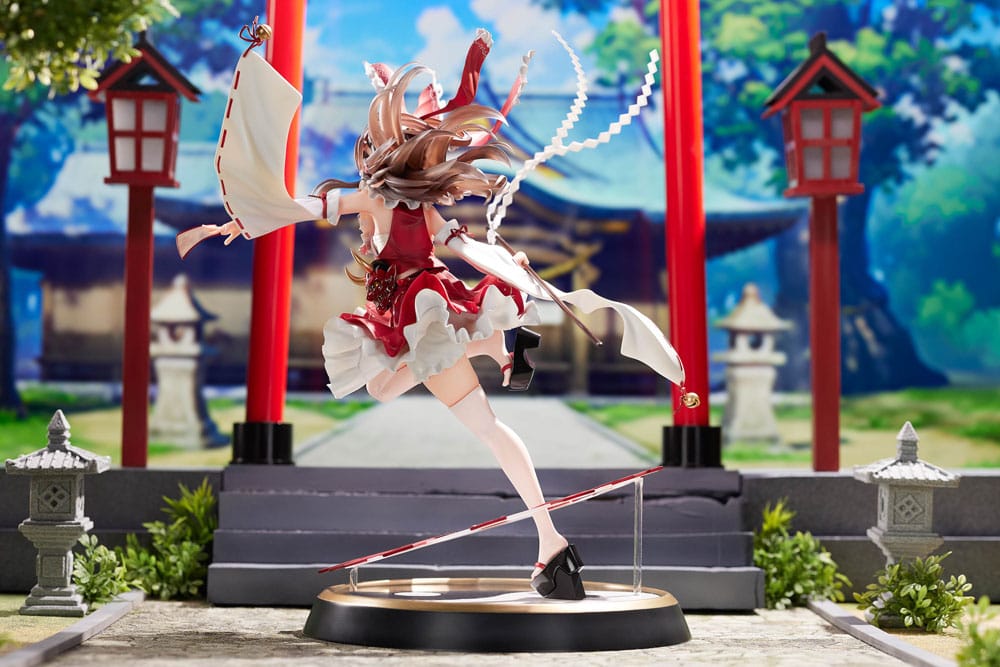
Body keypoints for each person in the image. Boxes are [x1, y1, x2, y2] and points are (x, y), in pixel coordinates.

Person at [196, 27, 687, 601]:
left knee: (449, 414)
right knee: (412, 399)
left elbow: (310, 206)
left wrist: (246, 219)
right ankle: (500, 370)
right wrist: (505, 272)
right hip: (422, 307)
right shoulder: (413, 201)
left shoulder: (378, 196)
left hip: (421, 313)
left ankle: (549, 534)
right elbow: (454, 242)